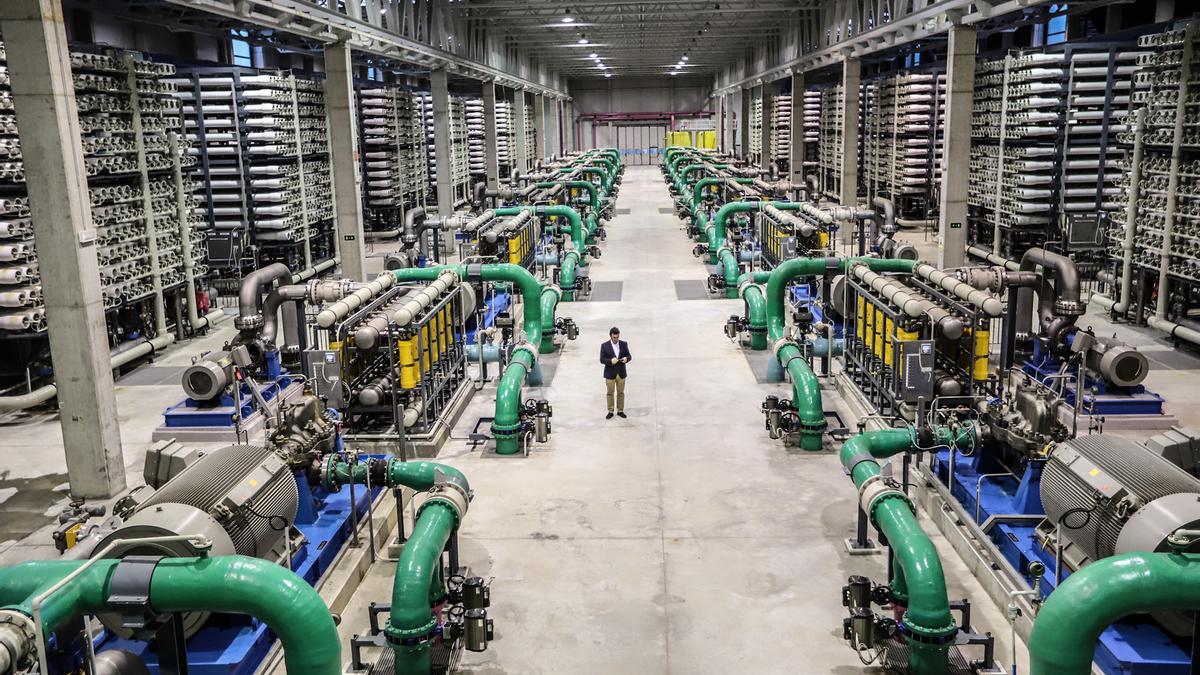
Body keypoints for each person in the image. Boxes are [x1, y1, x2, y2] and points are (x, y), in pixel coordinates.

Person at [599, 326, 631, 419]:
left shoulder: (624, 344)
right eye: (614, 337)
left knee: (621, 392)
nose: (616, 339)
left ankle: (620, 410)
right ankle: (610, 411)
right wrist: (610, 361)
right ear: (610, 336)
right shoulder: (604, 346)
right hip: (610, 373)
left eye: (617, 337)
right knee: (610, 392)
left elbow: (629, 356)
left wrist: (626, 359)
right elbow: (602, 359)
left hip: (621, 373)